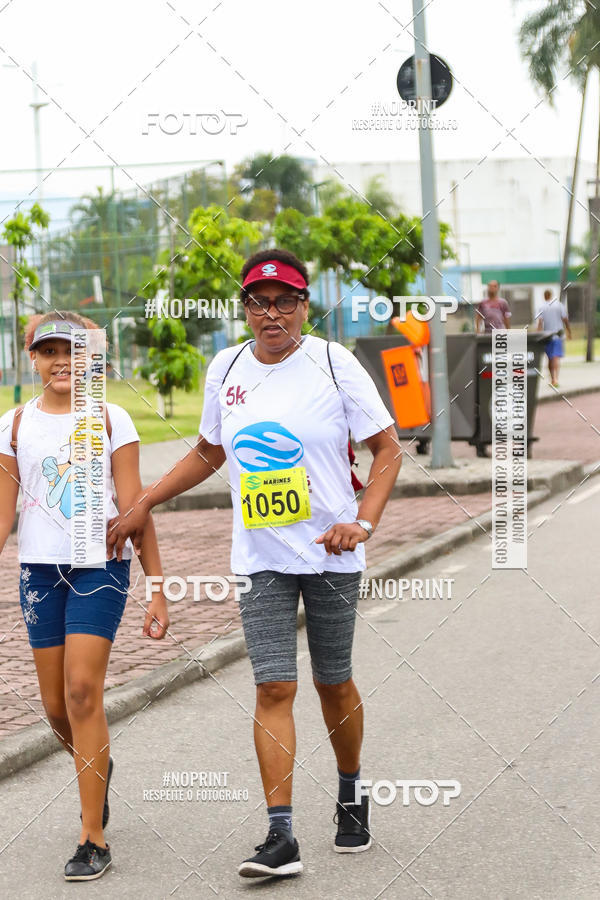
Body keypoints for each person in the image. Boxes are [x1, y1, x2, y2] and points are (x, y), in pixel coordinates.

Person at [106, 248, 402, 879]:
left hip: (331, 553)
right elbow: (211, 451)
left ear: (303, 306)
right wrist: (144, 501)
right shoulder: (227, 366)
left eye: (286, 301)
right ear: (244, 309)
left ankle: (351, 790)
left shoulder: (333, 362)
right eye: (258, 302)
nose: (272, 314)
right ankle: (280, 835)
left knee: (332, 682)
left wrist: (361, 521)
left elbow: (387, 448)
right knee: (272, 685)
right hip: (259, 556)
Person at [0, 312, 169, 882]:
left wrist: (158, 587)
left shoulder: (109, 417)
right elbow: (3, 514)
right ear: (33, 360)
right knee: (54, 709)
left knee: (80, 691)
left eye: (72, 351)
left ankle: (92, 837)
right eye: (48, 352)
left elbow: (136, 506)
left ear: (91, 359)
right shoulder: (14, 425)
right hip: (39, 572)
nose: (60, 361)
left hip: (101, 566)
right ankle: (98, 766)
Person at [536, 289, 571, 387]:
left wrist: (538, 335)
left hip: (546, 336)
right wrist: (569, 331)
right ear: (551, 295)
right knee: (556, 357)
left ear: (544, 296)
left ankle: (552, 379)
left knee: (550, 358)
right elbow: (565, 319)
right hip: (557, 335)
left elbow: (540, 323)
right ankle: (556, 379)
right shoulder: (559, 305)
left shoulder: (541, 307)